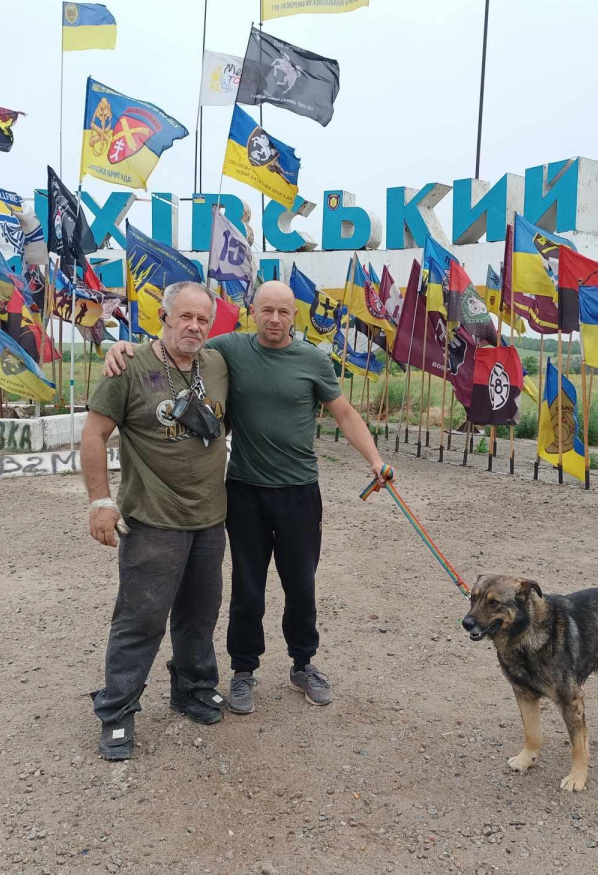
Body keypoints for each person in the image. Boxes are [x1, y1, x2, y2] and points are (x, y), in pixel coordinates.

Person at [103, 279, 387, 714]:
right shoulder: (229, 349)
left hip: (299, 491)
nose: (275, 319)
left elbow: (345, 413)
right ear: (252, 311)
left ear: (295, 316)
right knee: (247, 587)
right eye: (266, 310)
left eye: (284, 312)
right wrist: (124, 347)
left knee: (301, 584)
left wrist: (374, 459)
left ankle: (303, 664)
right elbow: (176, 342)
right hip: (244, 491)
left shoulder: (313, 359)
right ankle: (242, 671)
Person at [83, 281, 230, 761]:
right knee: (141, 618)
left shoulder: (217, 362)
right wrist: (100, 502)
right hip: (152, 518)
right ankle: (118, 711)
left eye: (203, 319)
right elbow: (94, 433)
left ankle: (192, 689)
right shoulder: (128, 367)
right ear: (163, 317)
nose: (193, 326)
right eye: (184, 317)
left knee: (199, 615)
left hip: (209, 519)